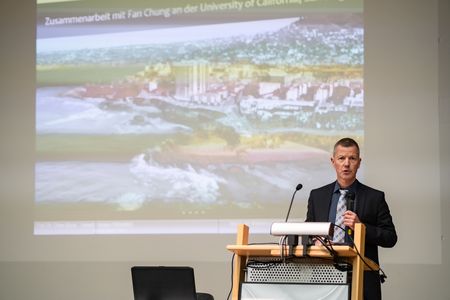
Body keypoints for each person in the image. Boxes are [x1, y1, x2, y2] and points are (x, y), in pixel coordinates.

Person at [306, 137, 397, 300]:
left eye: (352, 158)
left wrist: (362, 227)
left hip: (362, 279)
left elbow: (390, 238)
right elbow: (308, 232)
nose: (346, 163)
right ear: (333, 161)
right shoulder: (317, 196)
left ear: (359, 162)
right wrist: (314, 240)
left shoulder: (374, 197)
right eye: (341, 158)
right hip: (323, 276)